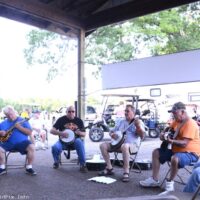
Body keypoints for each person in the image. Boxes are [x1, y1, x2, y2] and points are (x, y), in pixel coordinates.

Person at [140, 102, 200, 192]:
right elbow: (168, 130)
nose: (173, 115)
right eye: (172, 113)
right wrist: (163, 134)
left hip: (191, 154)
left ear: (182, 112)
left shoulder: (190, 123)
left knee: (175, 158)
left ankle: (170, 183)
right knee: (156, 152)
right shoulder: (176, 121)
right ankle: (154, 179)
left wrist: (171, 141)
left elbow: (184, 143)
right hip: (176, 151)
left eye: (175, 113)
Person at [98, 104, 145, 182]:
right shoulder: (121, 121)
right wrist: (112, 135)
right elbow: (111, 131)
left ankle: (126, 172)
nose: (125, 113)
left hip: (132, 146)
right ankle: (109, 168)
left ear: (133, 112)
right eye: (125, 111)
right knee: (103, 145)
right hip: (118, 144)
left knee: (125, 146)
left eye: (128, 111)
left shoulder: (138, 122)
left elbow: (142, 136)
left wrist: (138, 127)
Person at [0, 105, 36, 175]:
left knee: (32, 147)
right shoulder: (3, 123)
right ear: (5, 115)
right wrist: (1, 133)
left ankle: (29, 167)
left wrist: (19, 127)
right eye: (8, 115)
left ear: (14, 111)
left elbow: (29, 132)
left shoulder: (23, 120)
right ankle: (2, 167)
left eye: (11, 114)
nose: (10, 116)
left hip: (23, 143)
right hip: (7, 143)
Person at [50, 105, 87, 173]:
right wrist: (61, 133)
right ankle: (56, 162)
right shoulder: (61, 120)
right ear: (66, 112)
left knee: (79, 142)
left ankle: (82, 164)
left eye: (73, 111)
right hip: (63, 142)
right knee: (54, 147)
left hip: (75, 142)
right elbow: (51, 131)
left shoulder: (79, 121)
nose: (71, 113)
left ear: (75, 112)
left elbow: (84, 134)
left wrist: (79, 133)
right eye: (69, 111)